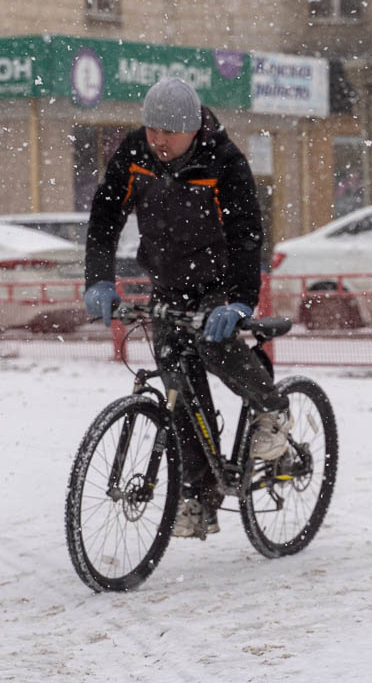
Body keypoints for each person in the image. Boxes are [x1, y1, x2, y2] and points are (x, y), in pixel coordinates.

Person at [82, 77, 292, 540]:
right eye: (152, 129)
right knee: (177, 389)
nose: (158, 141)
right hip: (168, 283)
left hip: (217, 284)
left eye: (168, 133)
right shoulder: (135, 154)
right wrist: (98, 278)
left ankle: (272, 409)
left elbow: (246, 235)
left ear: (193, 129)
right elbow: (104, 219)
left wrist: (239, 301)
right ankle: (200, 497)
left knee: (215, 346)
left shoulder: (224, 161)